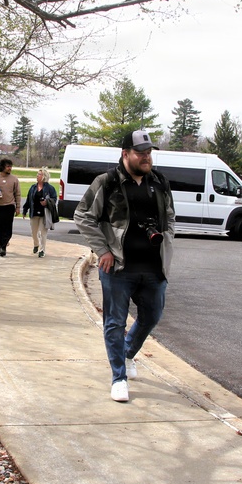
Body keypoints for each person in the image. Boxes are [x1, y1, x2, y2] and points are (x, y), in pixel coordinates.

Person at [73, 130, 175, 402]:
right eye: (140, 152)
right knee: (115, 322)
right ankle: (119, 377)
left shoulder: (160, 182)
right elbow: (82, 215)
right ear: (125, 154)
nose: (146, 157)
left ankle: (128, 353)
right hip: (118, 268)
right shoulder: (107, 182)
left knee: (152, 316)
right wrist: (102, 249)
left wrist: (167, 242)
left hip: (154, 267)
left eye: (148, 152)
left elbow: (170, 217)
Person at [22, 167, 58, 258]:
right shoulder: (33, 187)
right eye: (37, 174)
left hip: (44, 214)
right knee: (34, 232)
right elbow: (28, 199)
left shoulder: (50, 188)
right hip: (34, 212)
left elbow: (54, 199)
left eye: (39, 174)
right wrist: (25, 210)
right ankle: (36, 244)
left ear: (44, 176)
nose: (37, 176)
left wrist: (46, 202)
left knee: (43, 233)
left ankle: (42, 250)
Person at [0, 159, 21, 257]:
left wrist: (18, 207)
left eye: (11, 166)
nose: (10, 168)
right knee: (0, 227)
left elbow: (18, 194)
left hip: (9, 206)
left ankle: (3, 246)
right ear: (2, 167)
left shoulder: (14, 179)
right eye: (8, 166)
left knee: (8, 229)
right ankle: (2, 246)